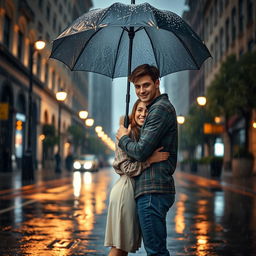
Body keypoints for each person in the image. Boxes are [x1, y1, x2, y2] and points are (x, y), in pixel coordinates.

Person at [116, 64, 178, 255]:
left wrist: (123, 138)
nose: (141, 91)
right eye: (137, 87)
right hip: (151, 190)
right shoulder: (153, 109)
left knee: (156, 251)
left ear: (157, 83)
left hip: (153, 191)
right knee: (155, 249)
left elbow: (141, 151)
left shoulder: (159, 109)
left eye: (146, 85)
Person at [105, 99, 170, 256]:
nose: (143, 114)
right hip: (125, 191)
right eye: (139, 110)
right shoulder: (124, 134)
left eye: (147, 111)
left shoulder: (145, 135)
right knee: (119, 247)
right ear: (133, 113)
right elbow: (127, 168)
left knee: (124, 247)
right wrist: (150, 160)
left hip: (136, 191)